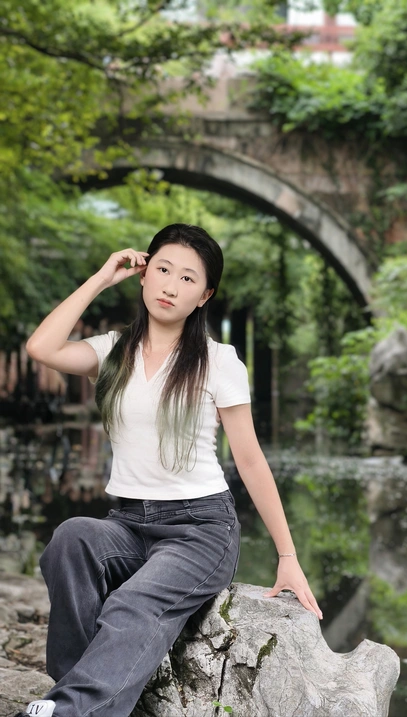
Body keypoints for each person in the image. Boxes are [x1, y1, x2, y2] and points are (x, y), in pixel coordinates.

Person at [19, 223, 322, 717]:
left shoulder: (219, 361)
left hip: (200, 529)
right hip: (129, 523)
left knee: (132, 604)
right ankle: (73, 693)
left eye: (187, 278)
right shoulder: (112, 351)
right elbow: (41, 347)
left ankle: (70, 711)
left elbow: (249, 459)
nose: (170, 286)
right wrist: (101, 278)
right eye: (162, 269)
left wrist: (287, 555)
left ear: (204, 296)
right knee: (70, 539)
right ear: (142, 274)